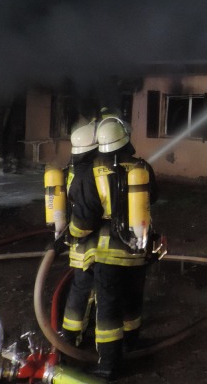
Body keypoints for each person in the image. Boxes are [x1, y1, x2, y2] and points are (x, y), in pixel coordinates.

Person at [88, 116, 158, 381]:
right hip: (137, 248)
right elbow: (153, 197)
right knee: (132, 300)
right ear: (125, 138)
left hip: (107, 251)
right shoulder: (142, 167)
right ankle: (132, 344)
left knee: (107, 306)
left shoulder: (93, 169)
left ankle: (109, 364)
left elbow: (88, 211)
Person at [59, 119, 102, 347]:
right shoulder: (90, 174)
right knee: (87, 288)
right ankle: (73, 337)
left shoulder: (73, 170)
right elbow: (88, 214)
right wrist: (75, 233)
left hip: (78, 243)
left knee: (81, 288)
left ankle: (72, 335)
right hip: (90, 241)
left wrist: (68, 236)